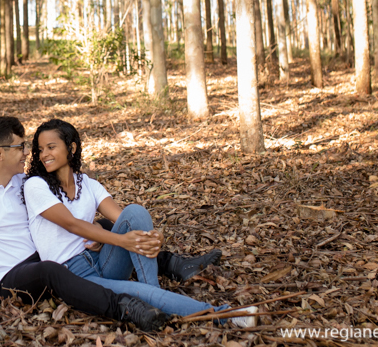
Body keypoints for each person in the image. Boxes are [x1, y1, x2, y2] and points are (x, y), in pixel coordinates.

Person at [0, 116, 169, 331]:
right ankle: (123, 307)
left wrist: (98, 229)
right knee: (50, 271)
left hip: (43, 255)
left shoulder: (24, 182)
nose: (27, 153)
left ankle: (169, 261)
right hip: (8, 278)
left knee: (106, 225)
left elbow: (70, 211)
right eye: (20, 147)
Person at [23, 118, 258, 328]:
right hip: (75, 274)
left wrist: (155, 236)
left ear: (71, 148)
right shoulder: (35, 185)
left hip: (101, 261)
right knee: (145, 292)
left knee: (136, 211)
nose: (44, 154)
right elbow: (72, 225)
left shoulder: (88, 184)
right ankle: (226, 315)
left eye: (51, 147)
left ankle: (152, 290)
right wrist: (121, 240)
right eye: (41, 149)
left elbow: (123, 218)